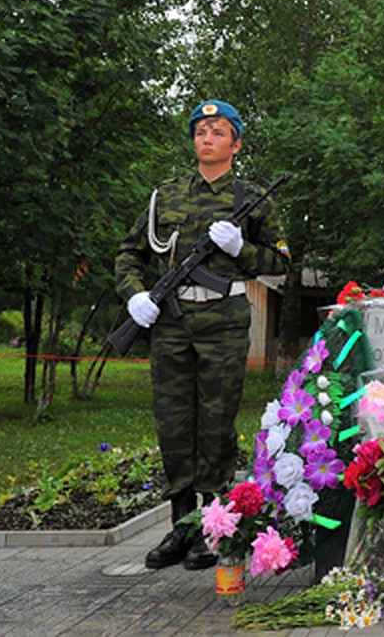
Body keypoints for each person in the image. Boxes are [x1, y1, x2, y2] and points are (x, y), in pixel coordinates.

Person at [115, 100, 290, 570]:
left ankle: (212, 528)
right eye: (199, 131)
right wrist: (135, 296)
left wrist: (243, 249)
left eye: (217, 131)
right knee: (173, 423)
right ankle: (180, 526)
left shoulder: (252, 198)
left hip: (224, 321)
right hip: (171, 322)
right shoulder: (164, 197)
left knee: (215, 423)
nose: (206, 138)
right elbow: (129, 254)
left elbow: (281, 264)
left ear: (235, 143)